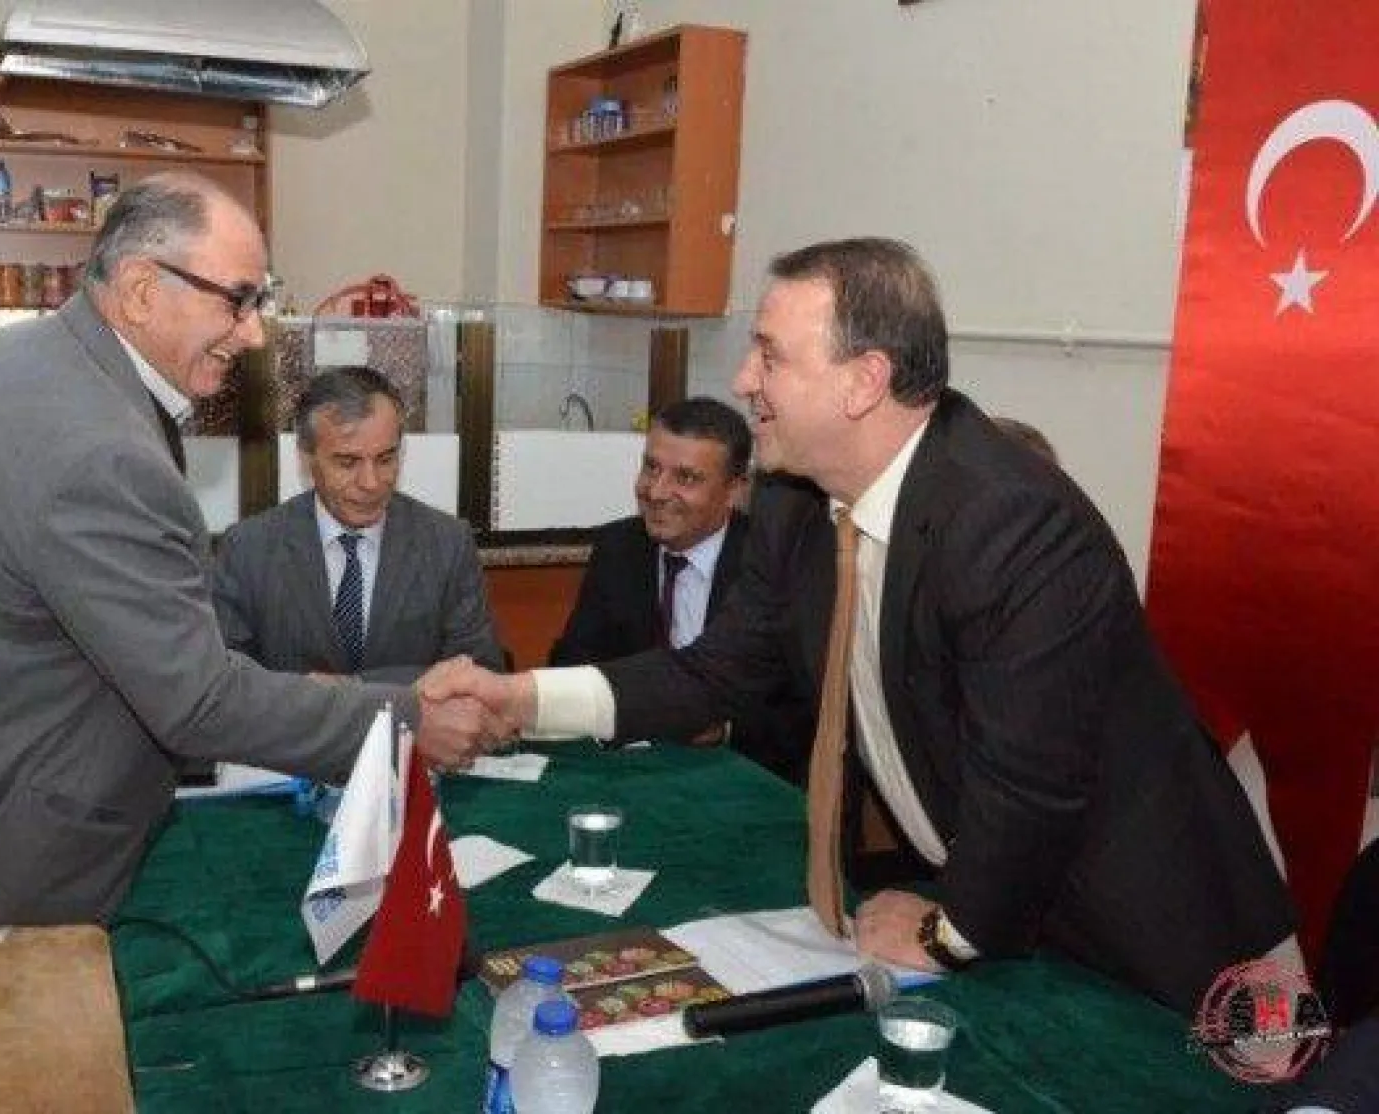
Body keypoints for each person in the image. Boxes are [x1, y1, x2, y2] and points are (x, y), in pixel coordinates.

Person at [424, 238, 1294, 1015]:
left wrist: (950, 933)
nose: (743, 382)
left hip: (1171, 935)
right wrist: (520, 697)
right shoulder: (800, 505)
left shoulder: (1009, 521)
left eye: (769, 355)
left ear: (863, 379)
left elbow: (1033, 789)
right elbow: (713, 671)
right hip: (1009, 919)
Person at [0, 172, 501, 928]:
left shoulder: (22, 363)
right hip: (24, 852)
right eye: (238, 300)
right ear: (140, 290)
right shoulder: (98, 446)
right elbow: (199, 699)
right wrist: (407, 719)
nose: (256, 332)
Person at [549, 396, 814, 786]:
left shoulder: (772, 562)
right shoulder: (619, 547)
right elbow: (573, 664)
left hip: (746, 779)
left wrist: (723, 728)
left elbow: (804, 707)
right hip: (632, 775)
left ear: (735, 490)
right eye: (651, 467)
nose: (656, 491)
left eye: (685, 478)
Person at [213, 365, 502, 683]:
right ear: (307, 459)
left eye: (386, 459)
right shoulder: (248, 549)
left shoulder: (447, 543)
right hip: (298, 734)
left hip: (414, 733)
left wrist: (352, 691)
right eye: (347, 463)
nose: (371, 482)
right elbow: (226, 685)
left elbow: (480, 676)